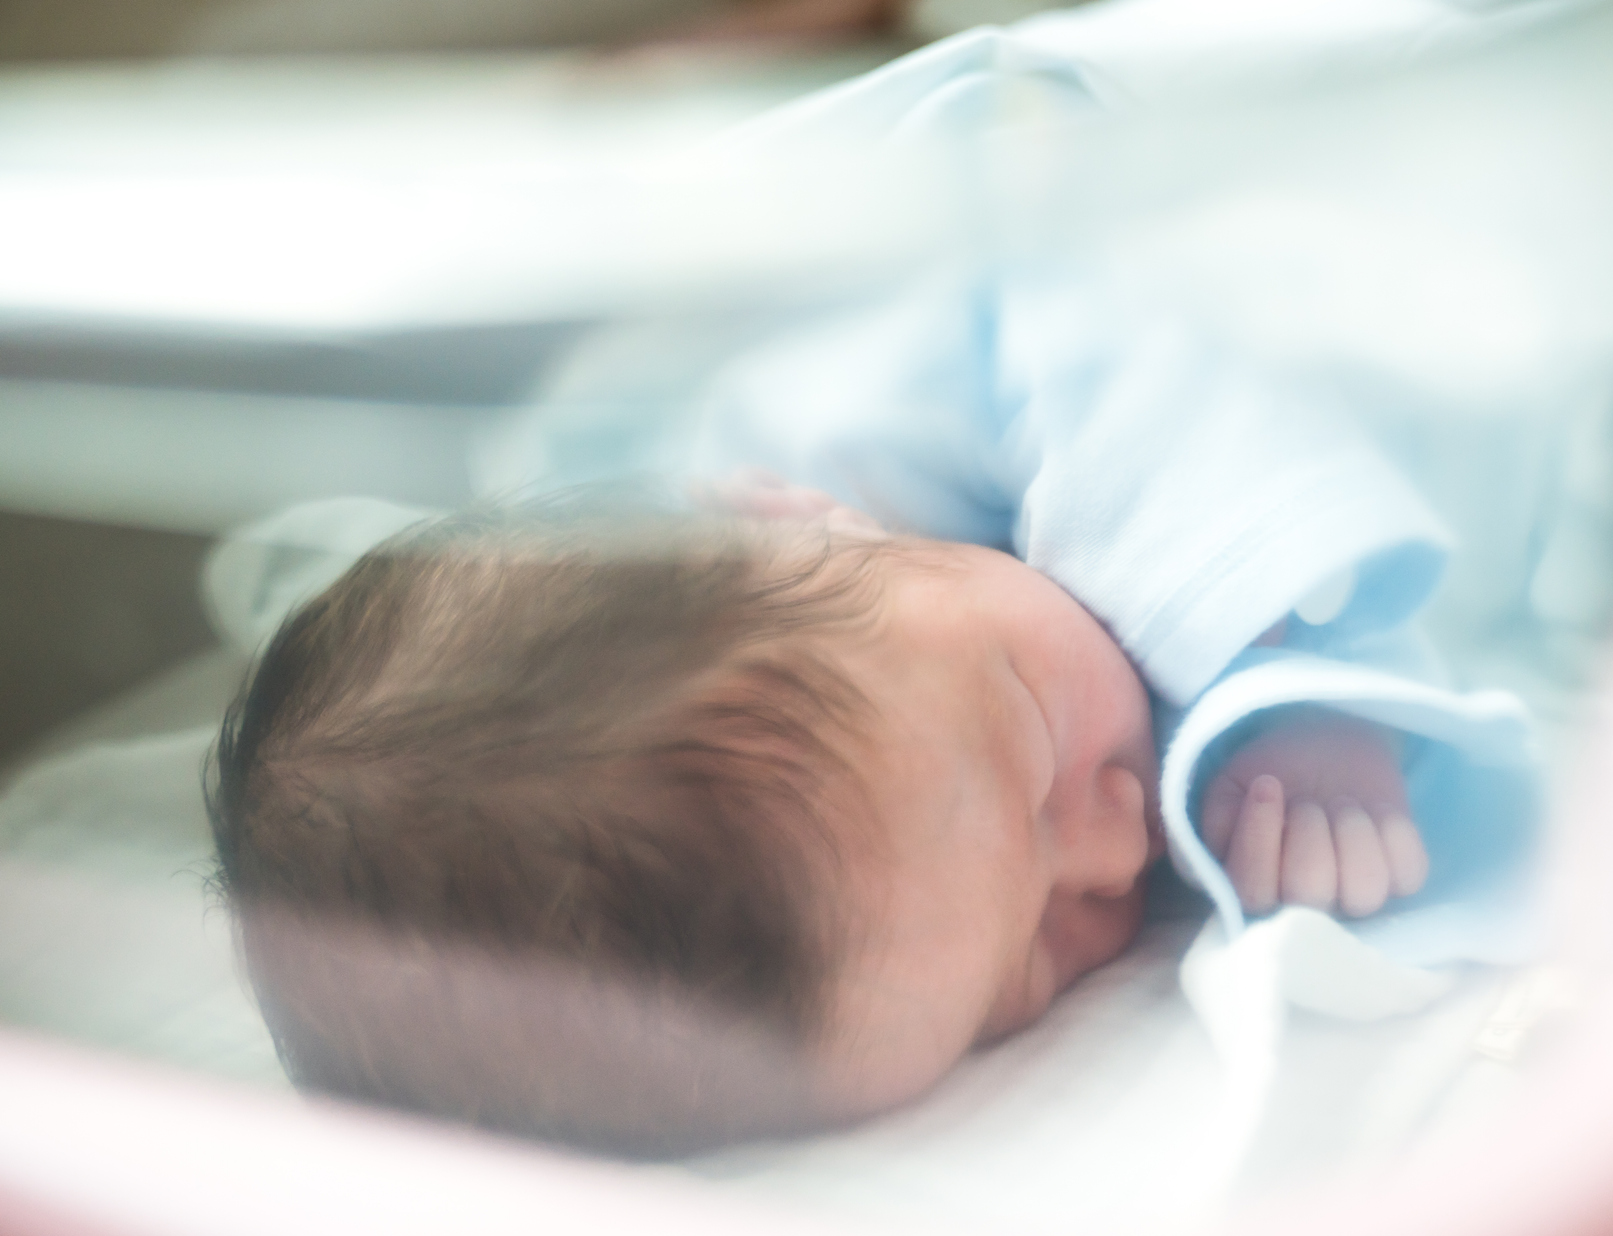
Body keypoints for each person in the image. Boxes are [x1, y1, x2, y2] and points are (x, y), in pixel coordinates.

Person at [207, 277, 1537, 1157]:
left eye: (1030, 742)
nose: (1121, 845)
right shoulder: (910, 681)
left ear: (790, 511)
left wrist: (1275, 680)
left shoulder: (870, 400)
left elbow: (1113, 341)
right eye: (1027, 965)